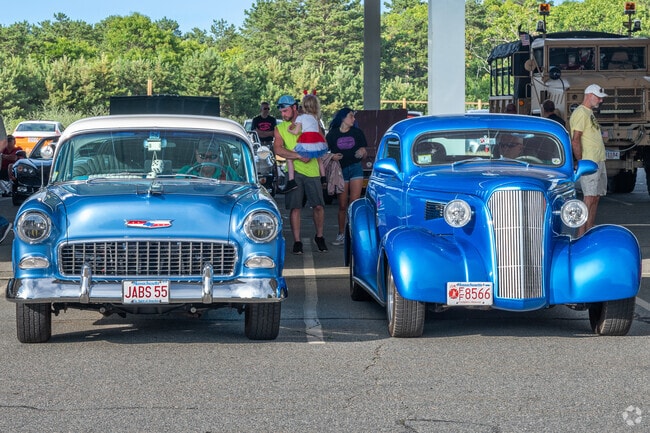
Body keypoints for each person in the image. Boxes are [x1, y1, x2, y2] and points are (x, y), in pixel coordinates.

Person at [273, 95, 328, 254]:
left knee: (318, 205)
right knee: (295, 207)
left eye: (285, 110)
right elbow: (278, 149)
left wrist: (310, 154)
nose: (283, 114)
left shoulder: (310, 120)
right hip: (295, 171)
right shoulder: (280, 128)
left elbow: (323, 143)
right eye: (281, 111)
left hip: (312, 171)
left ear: (295, 107)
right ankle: (297, 241)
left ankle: (319, 236)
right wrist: (298, 155)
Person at [570, 83, 608, 236]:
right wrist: (581, 161)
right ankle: (580, 234)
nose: (600, 101)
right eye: (598, 98)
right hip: (590, 162)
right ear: (589, 96)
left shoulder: (589, 112)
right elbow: (575, 139)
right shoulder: (581, 113)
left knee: (595, 197)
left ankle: (589, 231)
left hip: (597, 160)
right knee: (589, 197)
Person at [325, 107, 367, 246]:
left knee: (354, 202)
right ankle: (341, 233)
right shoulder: (332, 134)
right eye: (351, 116)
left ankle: (353, 232)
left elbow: (364, 150)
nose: (353, 119)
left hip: (355, 168)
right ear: (343, 118)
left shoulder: (357, 132)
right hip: (340, 170)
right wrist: (332, 157)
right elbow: (324, 152)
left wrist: (362, 152)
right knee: (342, 205)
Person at [284, 93, 327, 192]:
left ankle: (291, 181)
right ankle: (323, 178)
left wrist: (289, 130)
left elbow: (296, 132)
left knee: (289, 157)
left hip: (306, 141)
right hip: (316, 141)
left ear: (303, 106)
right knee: (319, 158)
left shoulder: (301, 117)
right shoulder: (316, 118)